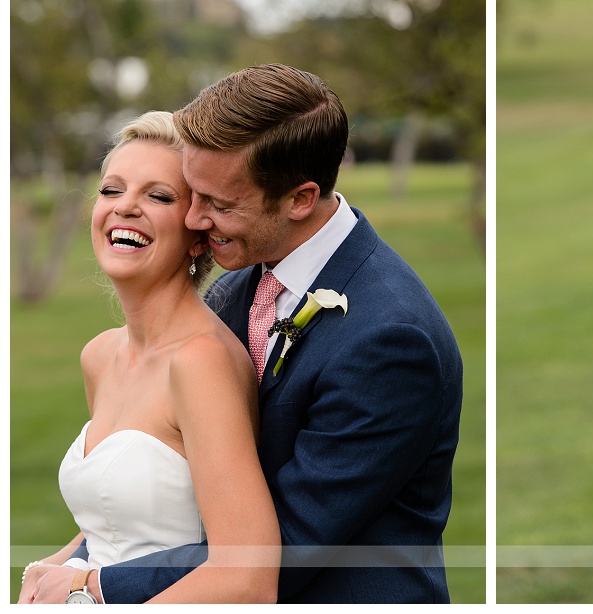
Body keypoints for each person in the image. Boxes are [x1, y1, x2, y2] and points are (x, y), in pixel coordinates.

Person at [29, 65, 463, 603]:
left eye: (218, 203)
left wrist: (92, 588)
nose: (194, 218)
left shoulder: (390, 339)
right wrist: (66, 563)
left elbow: (277, 550)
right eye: (192, 194)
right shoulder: (238, 285)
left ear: (300, 199)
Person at [20, 111, 280, 604]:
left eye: (158, 196)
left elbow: (247, 579)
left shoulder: (201, 363)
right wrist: (51, 570)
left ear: (198, 234)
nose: (126, 208)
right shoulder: (99, 356)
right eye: (111, 190)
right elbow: (116, 522)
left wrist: (83, 597)